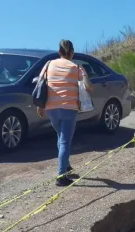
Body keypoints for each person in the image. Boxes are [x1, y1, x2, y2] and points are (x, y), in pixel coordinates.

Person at [36, 39, 93, 186]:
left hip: (51, 108)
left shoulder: (48, 64)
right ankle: (61, 176)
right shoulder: (77, 67)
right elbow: (88, 87)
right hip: (69, 108)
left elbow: (40, 83)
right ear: (72, 52)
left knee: (60, 136)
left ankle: (66, 165)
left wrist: (40, 106)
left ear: (59, 52)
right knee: (65, 141)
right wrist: (85, 77)